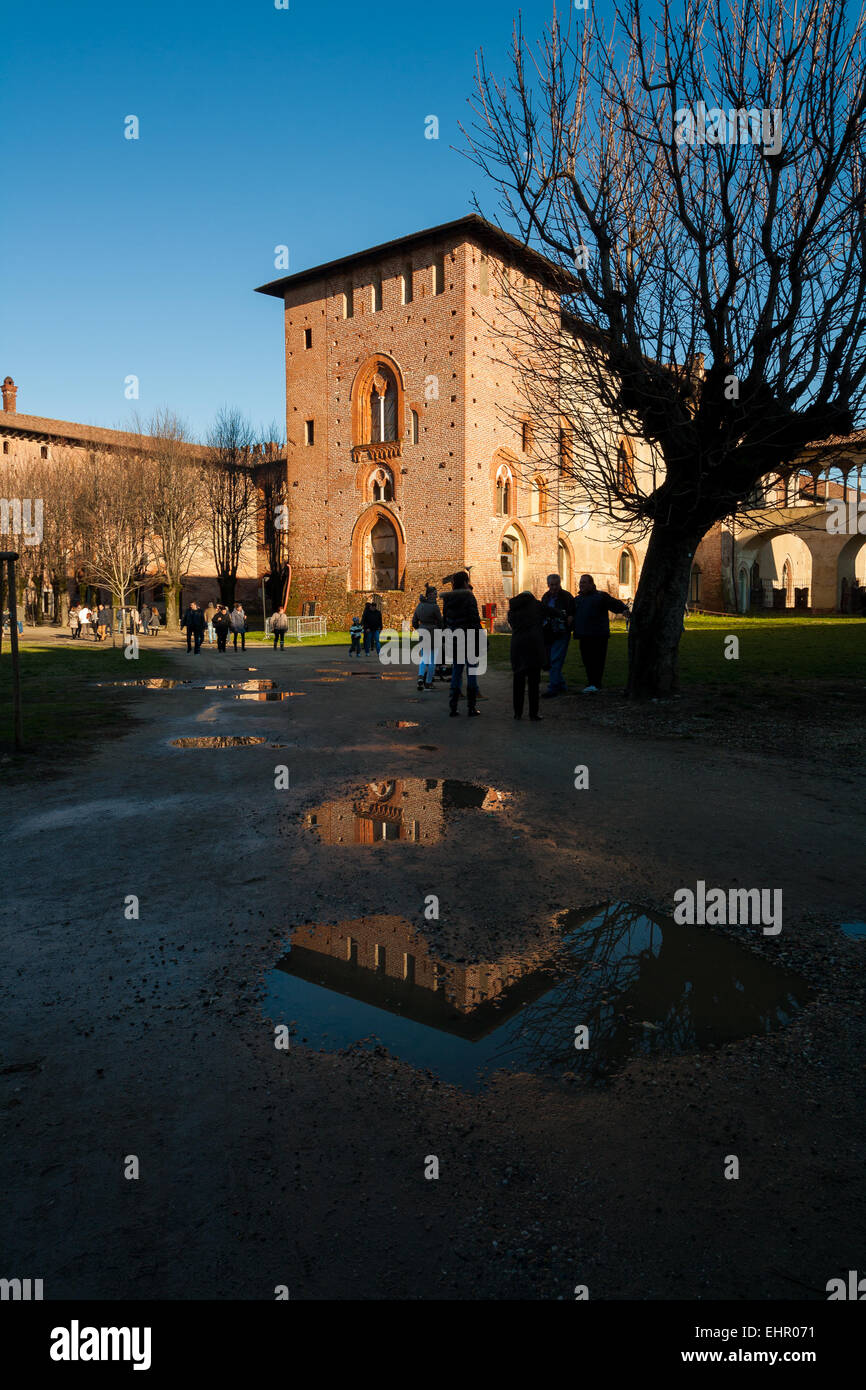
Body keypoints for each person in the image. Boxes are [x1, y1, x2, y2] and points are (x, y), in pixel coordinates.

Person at [572, 573, 629, 692]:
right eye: (581, 582)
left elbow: (613, 603)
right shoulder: (577, 599)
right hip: (583, 635)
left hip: (598, 634)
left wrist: (624, 609)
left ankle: (595, 683)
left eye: (584, 582)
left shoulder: (600, 596)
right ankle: (591, 683)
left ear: (591, 584)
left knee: (597, 660)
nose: (581, 585)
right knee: (587, 660)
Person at [442, 571, 481, 717]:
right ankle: (471, 707)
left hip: (455, 638)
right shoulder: (469, 598)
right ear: (465, 582)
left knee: (457, 672)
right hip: (469, 638)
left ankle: (453, 706)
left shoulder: (448, 600)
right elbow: (474, 619)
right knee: (471, 672)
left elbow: (445, 620)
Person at [508, 590, 545, 721]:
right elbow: (551, 612)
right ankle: (533, 713)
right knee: (534, 683)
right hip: (534, 646)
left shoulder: (512, 610)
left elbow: (512, 624)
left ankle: (517, 713)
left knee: (518, 681)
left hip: (517, 646)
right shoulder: (537, 606)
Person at [540, 573, 575, 698]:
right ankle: (561, 685)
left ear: (560, 584)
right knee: (549, 660)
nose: (554, 587)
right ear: (548, 585)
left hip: (561, 632)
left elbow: (572, 613)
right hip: (548, 633)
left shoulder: (566, 597)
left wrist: (569, 620)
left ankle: (553, 687)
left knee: (555, 660)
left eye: (556, 584)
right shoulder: (546, 596)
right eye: (551, 585)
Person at [412, 585, 442, 690]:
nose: (436, 595)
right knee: (432, 659)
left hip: (422, 631)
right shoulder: (434, 607)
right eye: (435, 594)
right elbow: (440, 621)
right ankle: (428, 682)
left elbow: (414, 621)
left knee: (424, 657)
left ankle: (420, 677)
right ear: (429, 595)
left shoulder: (419, 606)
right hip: (433, 632)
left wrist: (419, 628)